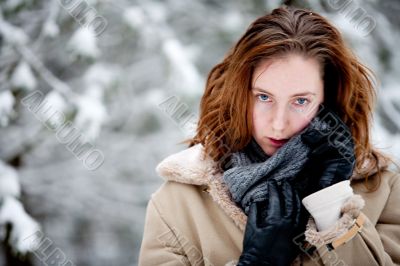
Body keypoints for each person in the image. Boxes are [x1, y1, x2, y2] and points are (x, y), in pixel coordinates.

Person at [138, 5, 400, 266]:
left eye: (300, 101)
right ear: (239, 94)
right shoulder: (176, 205)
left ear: (327, 101)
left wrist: (333, 205)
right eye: (264, 97)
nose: (278, 124)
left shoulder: (385, 192)